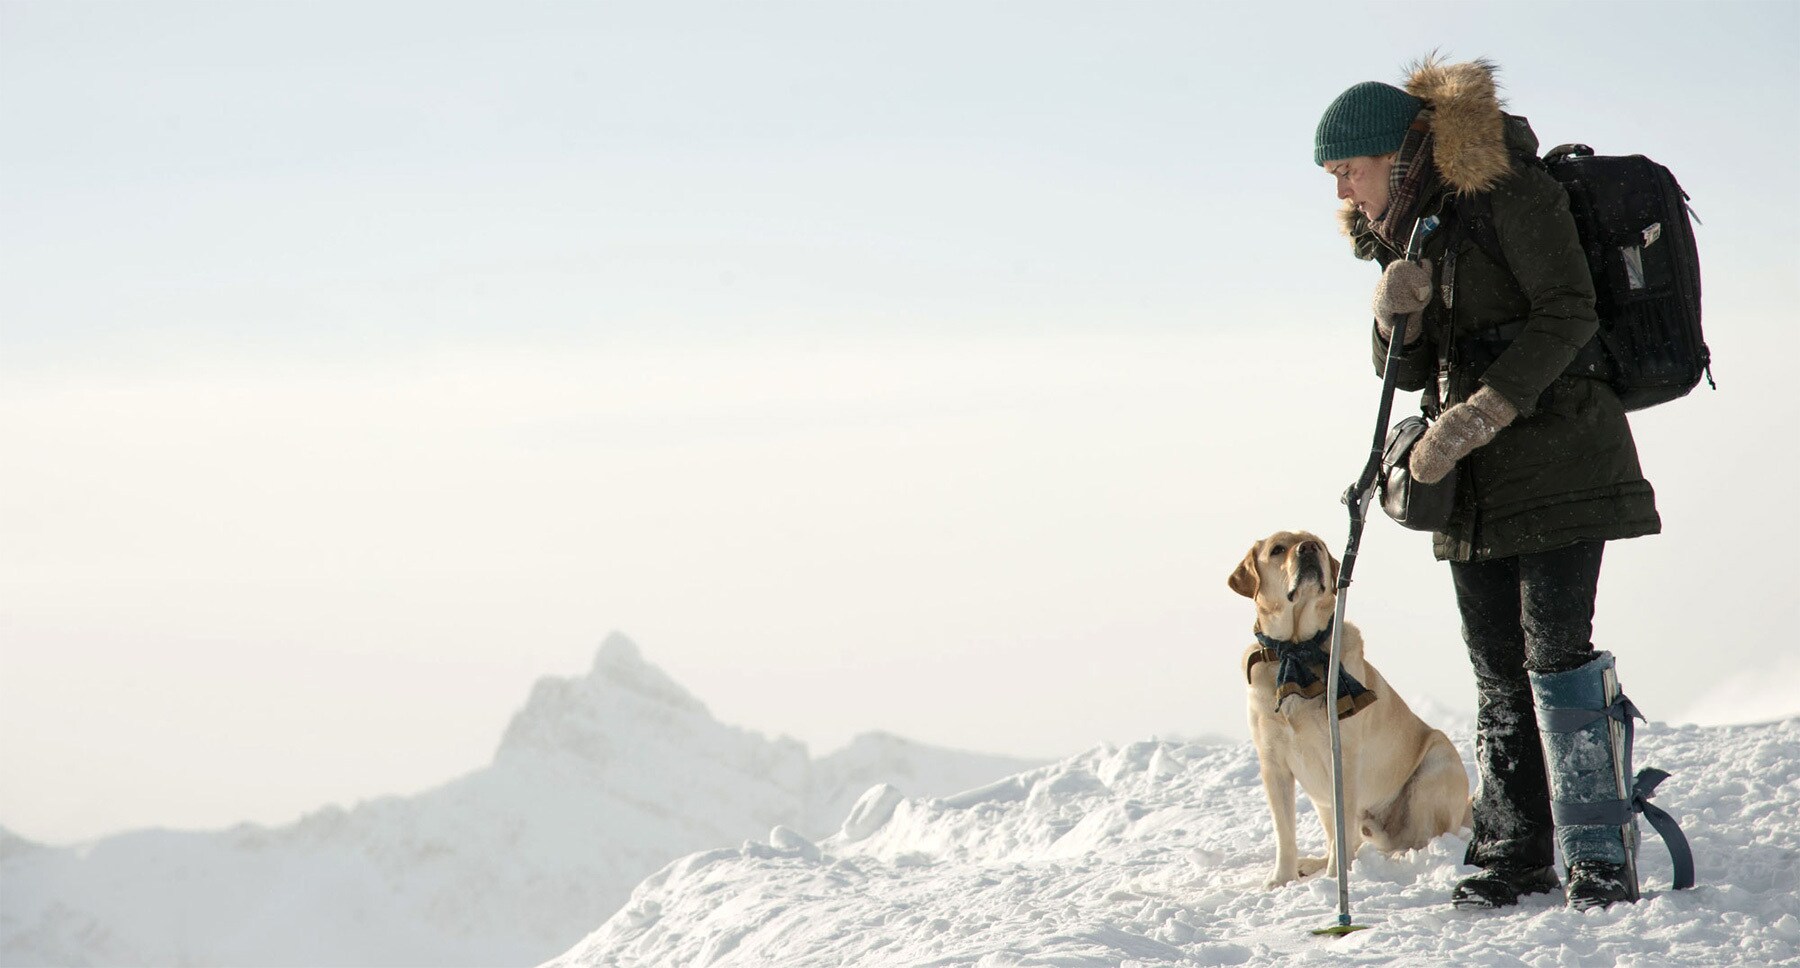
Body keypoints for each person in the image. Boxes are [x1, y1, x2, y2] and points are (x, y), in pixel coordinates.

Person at [1313, 57, 1662, 910]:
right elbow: (1411, 372)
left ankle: (1597, 851)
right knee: (1497, 665)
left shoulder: (1511, 192)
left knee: (1555, 655)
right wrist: (1393, 317)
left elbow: (1568, 312)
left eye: (1348, 173)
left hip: (1560, 463)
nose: (1344, 194)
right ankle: (1514, 849)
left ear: (1392, 155)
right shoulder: (1414, 228)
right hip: (1471, 484)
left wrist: (1481, 413)